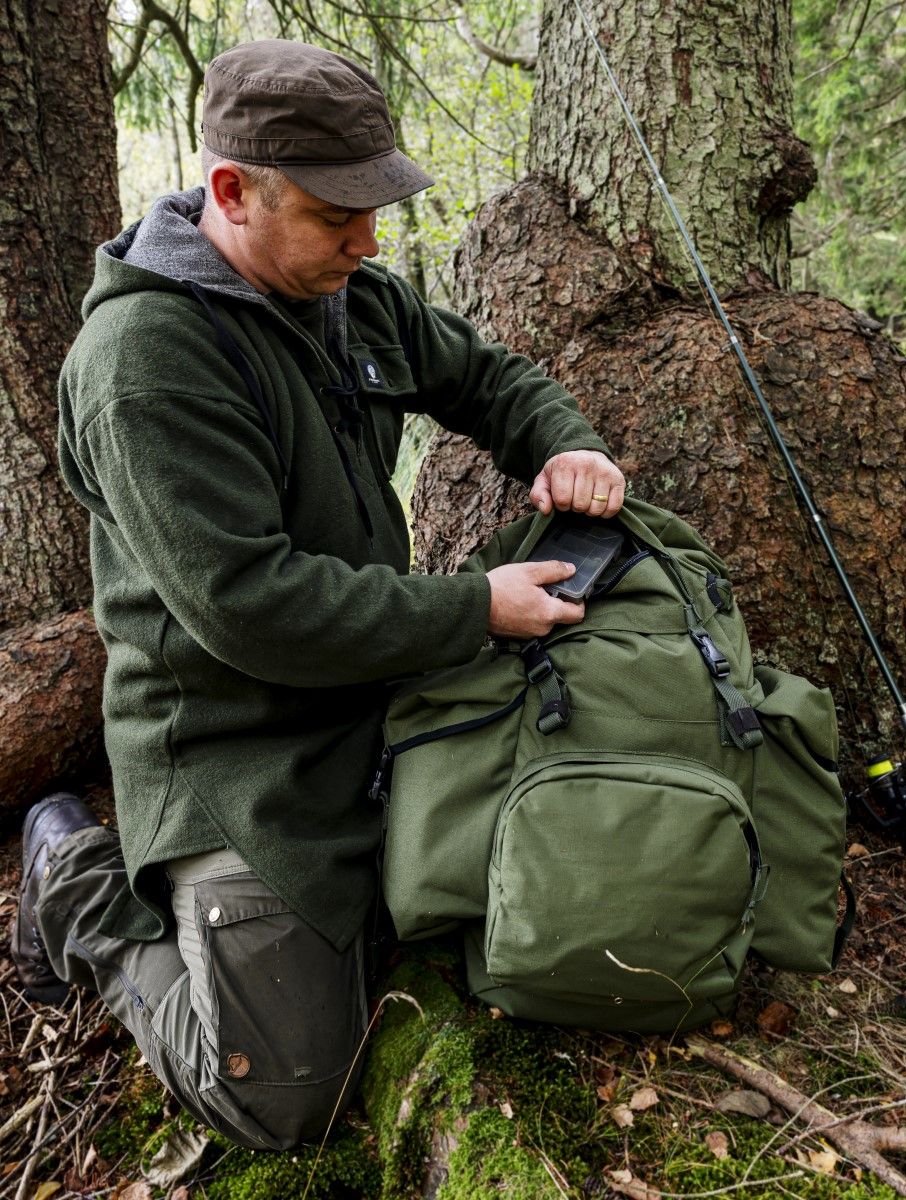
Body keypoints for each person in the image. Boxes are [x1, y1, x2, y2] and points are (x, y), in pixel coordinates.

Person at [11, 39, 624, 1151]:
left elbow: (485, 377)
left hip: (372, 692)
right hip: (235, 752)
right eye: (337, 215)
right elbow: (249, 606)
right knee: (289, 1095)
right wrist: (473, 609)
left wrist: (563, 445)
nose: (368, 241)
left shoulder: (344, 293)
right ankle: (76, 885)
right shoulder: (144, 359)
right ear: (232, 191)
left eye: (374, 211)